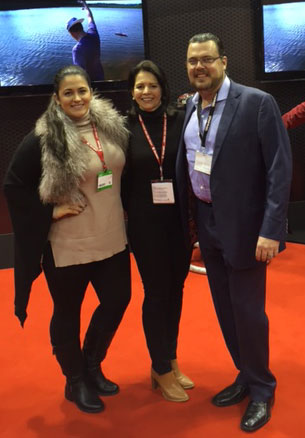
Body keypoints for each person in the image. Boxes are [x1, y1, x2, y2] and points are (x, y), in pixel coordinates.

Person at [176, 33, 292, 431]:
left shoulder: (256, 103)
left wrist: (271, 229)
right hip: (207, 224)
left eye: (206, 59)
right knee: (225, 309)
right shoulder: (192, 106)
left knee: (248, 311)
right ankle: (244, 373)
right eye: (192, 61)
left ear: (223, 61)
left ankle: (262, 388)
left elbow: (279, 169)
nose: (199, 68)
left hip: (246, 227)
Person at [4, 65, 131, 414]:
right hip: (67, 245)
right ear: (57, 99)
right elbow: (14, 186)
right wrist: (50, 213)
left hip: (112, 238)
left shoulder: (112, 126)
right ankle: (75, 379)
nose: (77, 98)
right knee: (68, 314)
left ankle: (91, 364)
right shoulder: (44, 137)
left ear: (92, 92)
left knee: (119, 299)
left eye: (82, 91)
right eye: (69, 93)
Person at [122, 60, 193, 403]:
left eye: (152, 85)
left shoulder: (180, 120)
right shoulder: (122, 128)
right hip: (144, 223)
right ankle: (160, 367)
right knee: (156, 292)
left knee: (176, 289)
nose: (146, 92)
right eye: (139, 86)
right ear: (132, 91)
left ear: (162, 87)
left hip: (178, 221)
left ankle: (171, 358)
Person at [67, 0, 104, 81]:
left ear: (71, 33)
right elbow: (90, 17)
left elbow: (80, 74)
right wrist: (85, 4)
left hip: (90, 84)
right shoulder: (94, 34)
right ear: (81, 27)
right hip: (101, 76)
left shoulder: (77, 49)